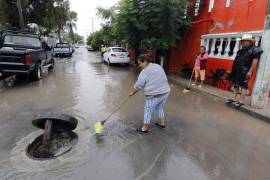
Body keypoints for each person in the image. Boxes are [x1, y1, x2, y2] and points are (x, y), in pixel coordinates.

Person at [129, 54, 171, 133]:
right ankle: (162, 123)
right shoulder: (157, 66)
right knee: (159, 107)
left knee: (148, 110)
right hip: (166, 92)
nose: (139, 65)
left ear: (144, 61)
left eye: (139, 63)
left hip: (155, 95)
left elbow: (138, 85)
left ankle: (144, 129)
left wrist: (132, 92)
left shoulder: (144, 72)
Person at [227, 34, 263, 108]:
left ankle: (241, 101)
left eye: (244, 41)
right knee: (235, 84)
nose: (242, 43)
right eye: (242, 41)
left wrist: (250, 71)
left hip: (245, 70)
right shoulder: (241, 50)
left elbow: (255, 61)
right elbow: (236, 60)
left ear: (250, 41)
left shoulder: (255, 49)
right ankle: (234, 98)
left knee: (244, 85)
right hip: (237, 69)